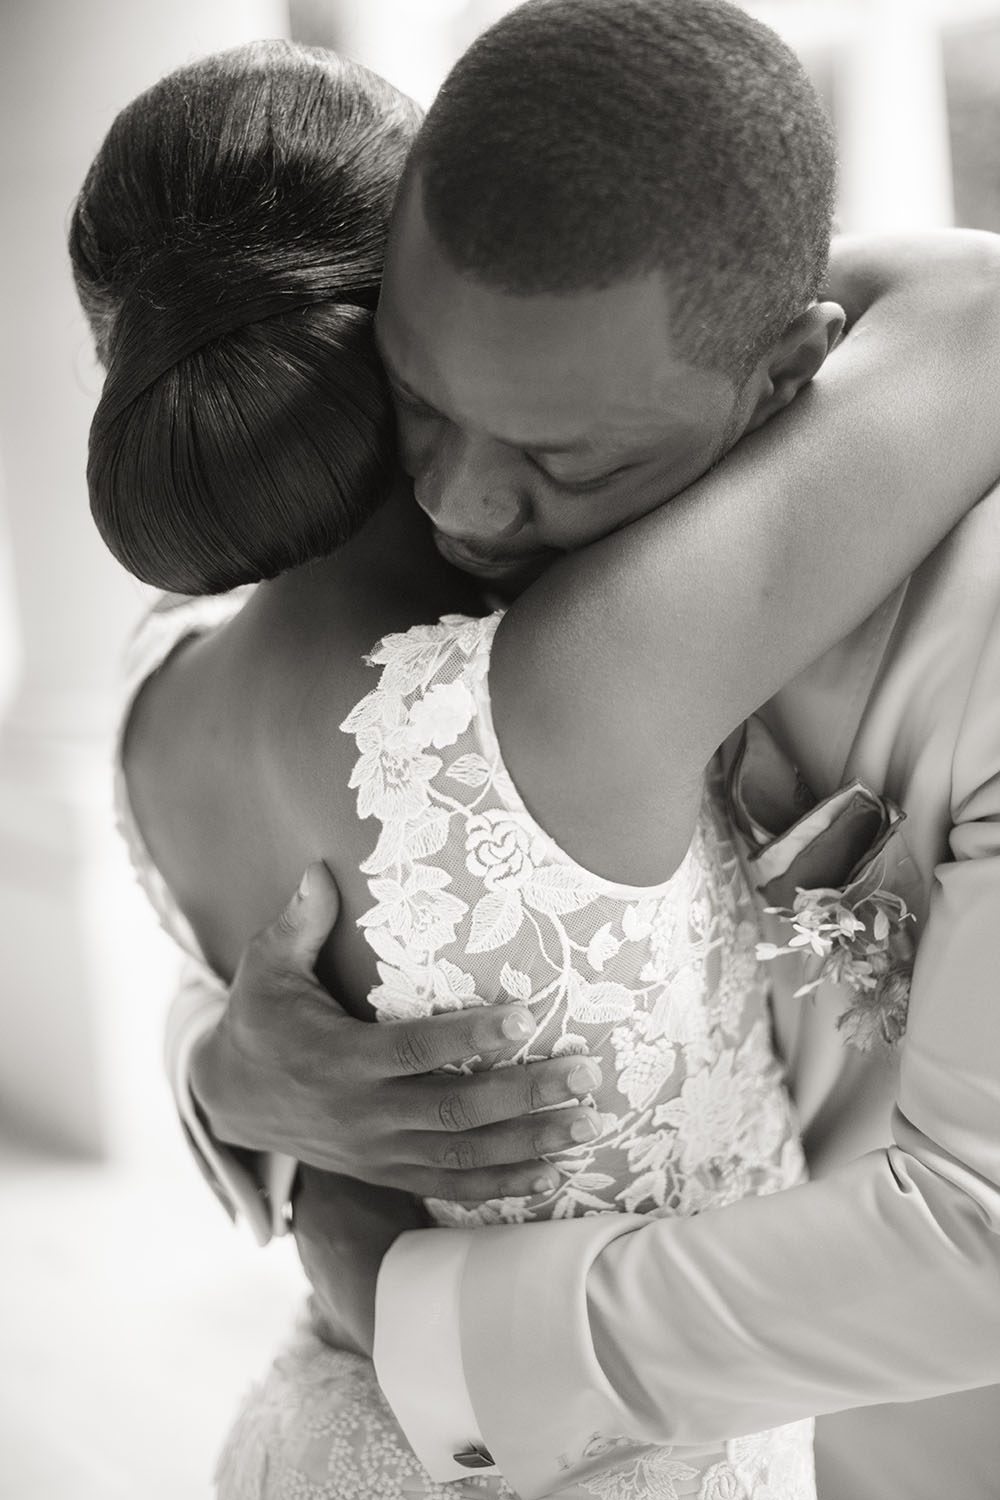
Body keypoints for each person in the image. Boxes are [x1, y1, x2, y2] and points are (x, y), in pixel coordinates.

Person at [73, 9, 1000, 1500]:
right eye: (418, 404)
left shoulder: (168, 681)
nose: (467, 509)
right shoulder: (522, 672)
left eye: (568, 460)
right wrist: (230, 1074)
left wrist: (411, 1304)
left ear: (789, 368)